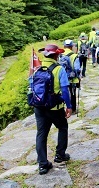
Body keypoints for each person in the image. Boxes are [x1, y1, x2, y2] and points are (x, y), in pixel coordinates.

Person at [35, 44, 73, 175]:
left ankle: (42, 164)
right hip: (55, 107)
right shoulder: (59, 69)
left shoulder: (37, 68)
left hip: (39, 107)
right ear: (56, 55)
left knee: (41, 134)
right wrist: (69, 106)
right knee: (62, 127)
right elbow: (64, 90)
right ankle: (60, 154)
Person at [63, 39, 81, 113]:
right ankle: (73, 109)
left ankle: (64, 108)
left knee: (64, 92)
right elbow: (77, 69)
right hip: (72, 78)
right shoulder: (75, 56)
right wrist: (79, 77)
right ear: (71, 47)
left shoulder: (60, 55)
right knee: (73, 93)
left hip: (63, 78)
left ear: (64, 46)